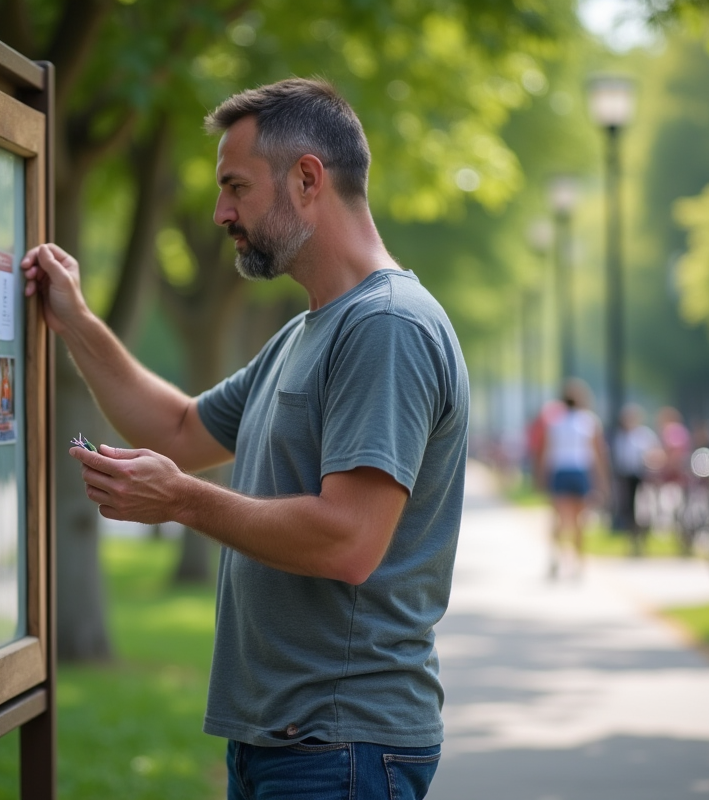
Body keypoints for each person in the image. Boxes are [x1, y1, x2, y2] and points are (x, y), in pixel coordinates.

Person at [23, 78, 468, 800]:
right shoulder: (308, 330)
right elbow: (175, 427)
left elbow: (348, 541)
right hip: (285, 739)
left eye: (236, 187)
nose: (220, 212)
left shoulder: (387, 327)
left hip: (340, 745)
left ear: (307, 178)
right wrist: (74, 320)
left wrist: (181, 501)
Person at [534, 378, 609, 579]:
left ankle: (556, 558)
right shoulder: (589, 421)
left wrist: (541, 475)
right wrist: (602, 480)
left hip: (560, 471)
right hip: (580, 471)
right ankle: (578, 562)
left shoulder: (555, 421)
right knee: (579, 521)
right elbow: (597, 452)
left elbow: (545, 450)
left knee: (559, 518)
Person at [613, 403, 659, 555]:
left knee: (645, 507)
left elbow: (654, 453)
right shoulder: (621, 436)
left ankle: (643, 538)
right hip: (626, 476)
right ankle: (632, 539)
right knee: (628, 508)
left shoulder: (644, 435)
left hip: (642, 475)